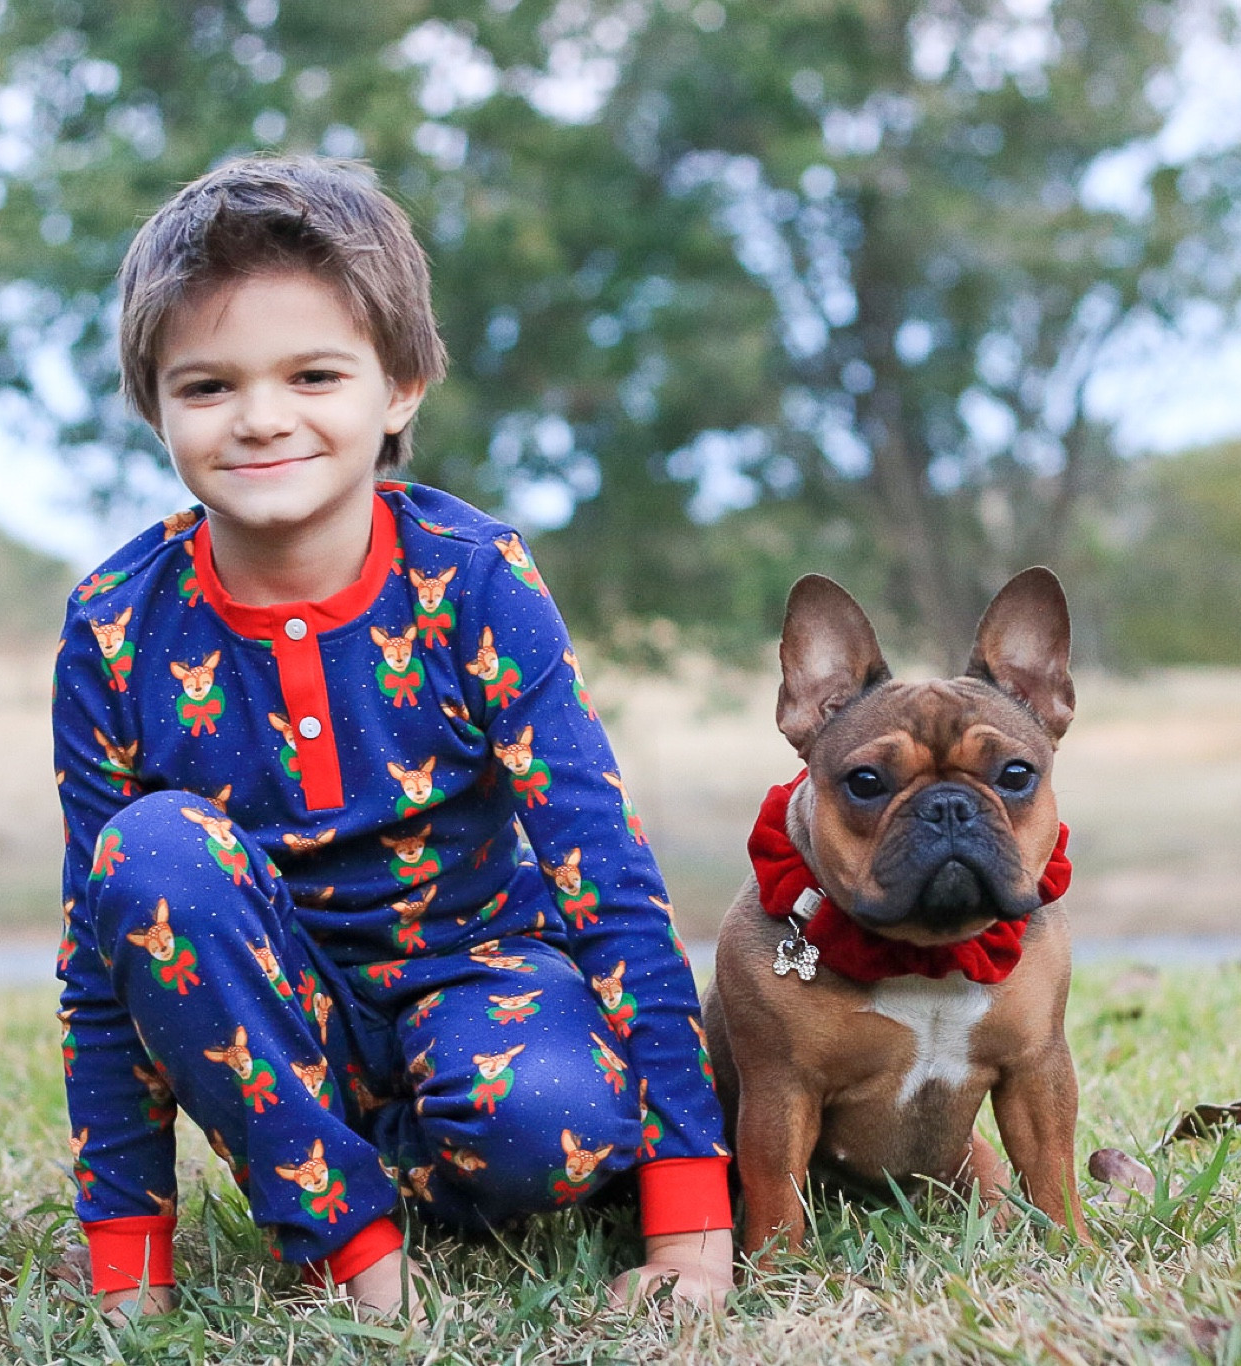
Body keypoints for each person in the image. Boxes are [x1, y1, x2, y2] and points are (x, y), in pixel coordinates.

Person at [52, 155, 732, 1321]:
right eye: (207, 386)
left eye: (313, 373)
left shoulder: (470, 579)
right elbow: (101, 971)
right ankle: (350, 1244)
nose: (263, 417)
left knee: (553, 1118)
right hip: (273, 1023)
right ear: (153, 403)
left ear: (400, 385)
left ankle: (389, 1160)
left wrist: (688, 1220)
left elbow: (604, 876)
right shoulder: (117, 623)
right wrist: (129, 1264)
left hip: (478, 975)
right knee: (150, 853)